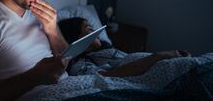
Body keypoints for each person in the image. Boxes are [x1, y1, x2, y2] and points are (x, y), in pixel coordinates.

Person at [58, 17, 191, 77]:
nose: (94, 31)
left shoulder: (103, 50)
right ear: (77, 37)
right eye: (89, 28)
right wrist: (159, 56)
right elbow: (109, 75)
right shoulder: (80, 65)